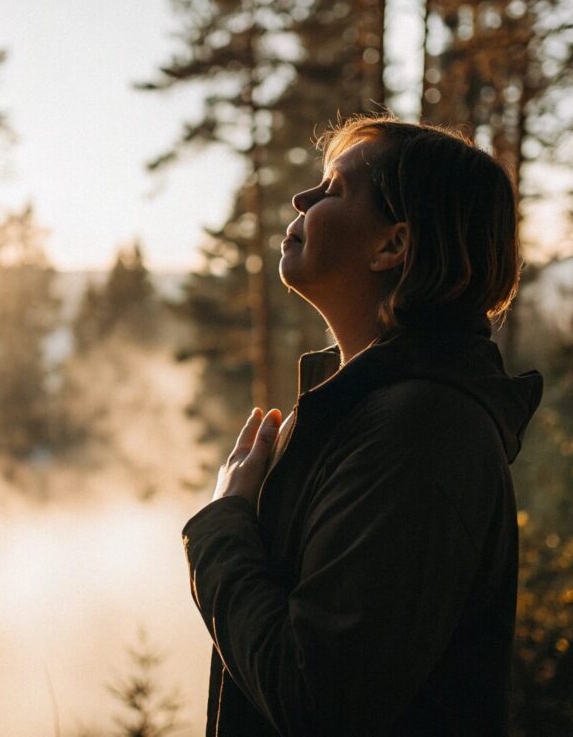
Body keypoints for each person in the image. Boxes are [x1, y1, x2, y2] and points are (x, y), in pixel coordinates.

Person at [181, 115, 544, 737]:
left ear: (392, 246)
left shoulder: (419, 437)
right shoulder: (373, 416)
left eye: (334, 188)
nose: (303, 198)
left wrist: (221, 528)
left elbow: (313, 700)